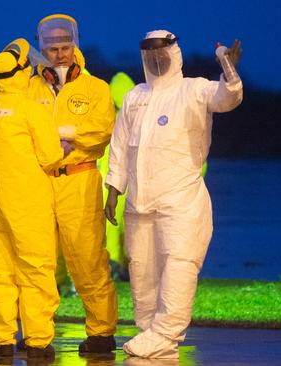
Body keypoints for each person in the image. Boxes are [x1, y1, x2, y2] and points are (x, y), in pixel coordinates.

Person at [105, 30, 243, 359]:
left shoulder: (193, 89)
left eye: (161, 51)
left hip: (181, 201)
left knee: (178, 266)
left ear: (174, 52)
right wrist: (113, 189)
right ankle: (150, 332)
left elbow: (228, 98)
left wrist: (229, 68)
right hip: (139, 203)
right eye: (149, 52)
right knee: (141, 269)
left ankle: (166, 332)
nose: (156, 58)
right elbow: (120, 147)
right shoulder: (134, 97)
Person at [27, 13, 118, 354]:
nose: (60, 54)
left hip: (79, 179)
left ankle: (101, 331)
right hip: (37, 183)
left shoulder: (95, 88)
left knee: (88, 258)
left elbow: (101, 131)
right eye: (52, 49)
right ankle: (37, 335)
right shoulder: (27, 87)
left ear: (75, 46)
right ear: (42, 50)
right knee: (37, 260)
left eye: (66, 47)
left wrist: (66, 139)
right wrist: (60, 141)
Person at [0, 38, 64, 359]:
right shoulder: (30, 110)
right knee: (35, 270)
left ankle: (3, 339)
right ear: (23, 73)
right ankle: (37, 339)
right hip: (26, 205)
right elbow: (51, 157)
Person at [100, 71, 135, 281]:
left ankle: (116, 264)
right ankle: (123, 265)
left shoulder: (109, 119)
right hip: (123, 180)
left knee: (113, 226)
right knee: (123, 226)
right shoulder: (136, 118)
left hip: (110, 179)